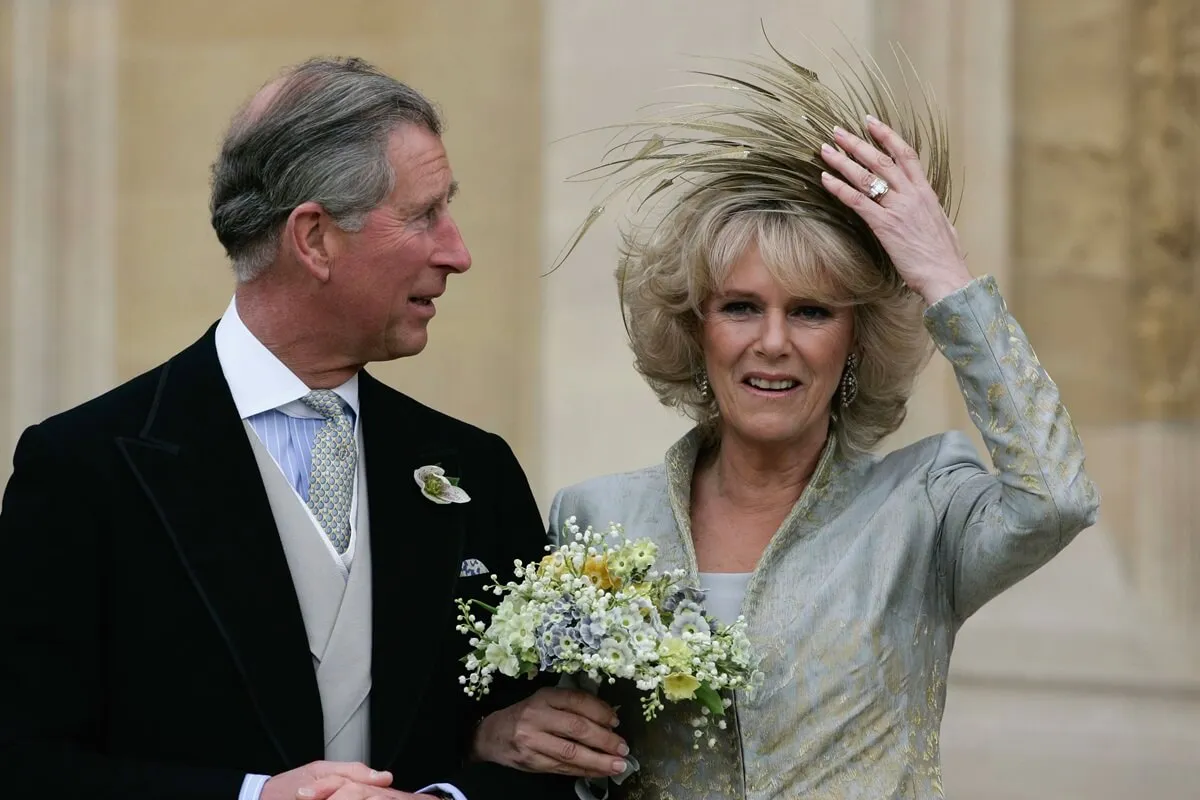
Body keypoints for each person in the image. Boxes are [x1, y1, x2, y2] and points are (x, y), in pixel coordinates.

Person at [0, 57, 628, 800]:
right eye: (424, 215)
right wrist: (255, 798)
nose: (457, 253)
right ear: (315, 238)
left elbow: (546, 757)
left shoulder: (474, 468)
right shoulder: (84, 469)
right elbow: (27, 765)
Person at [545, 47, 1101, 798]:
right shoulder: (595, 516)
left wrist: (945, 279)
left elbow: (1057, 499)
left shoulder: (921, 507)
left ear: (855, 342)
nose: (772, 342)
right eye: (741, 307)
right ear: (698, 328)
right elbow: (563, 756)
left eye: (810, 311)